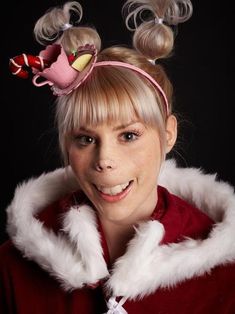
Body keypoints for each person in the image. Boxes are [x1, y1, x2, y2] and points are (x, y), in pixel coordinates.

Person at [1, 0, 235, 313]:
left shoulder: (225, 272)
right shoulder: (13, 265)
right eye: (85, 139)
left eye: (128, 135)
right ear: (66, 145)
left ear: (167, 134)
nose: (104, 160)